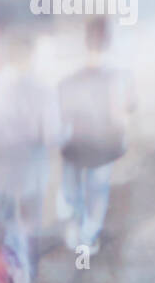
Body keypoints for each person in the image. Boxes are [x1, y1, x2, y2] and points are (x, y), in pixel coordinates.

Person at [0, 33, 59, 283]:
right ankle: (25, 275)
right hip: (31, 170)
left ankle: (3, 277)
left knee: (2, 226)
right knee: (28, 226)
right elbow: (51, 136)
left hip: (0, 170)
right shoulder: (44, 91)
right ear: (31, 58)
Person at [57, 18, 135, 254]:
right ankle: (88, 235)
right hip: (104, 146)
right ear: (109, 42)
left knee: (73, 189)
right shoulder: (120, 78)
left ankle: (75, 222)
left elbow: (62, 115)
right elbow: (124, 115)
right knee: (98, 189)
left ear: (85, 41)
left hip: (76, 145)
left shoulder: (70, 80)